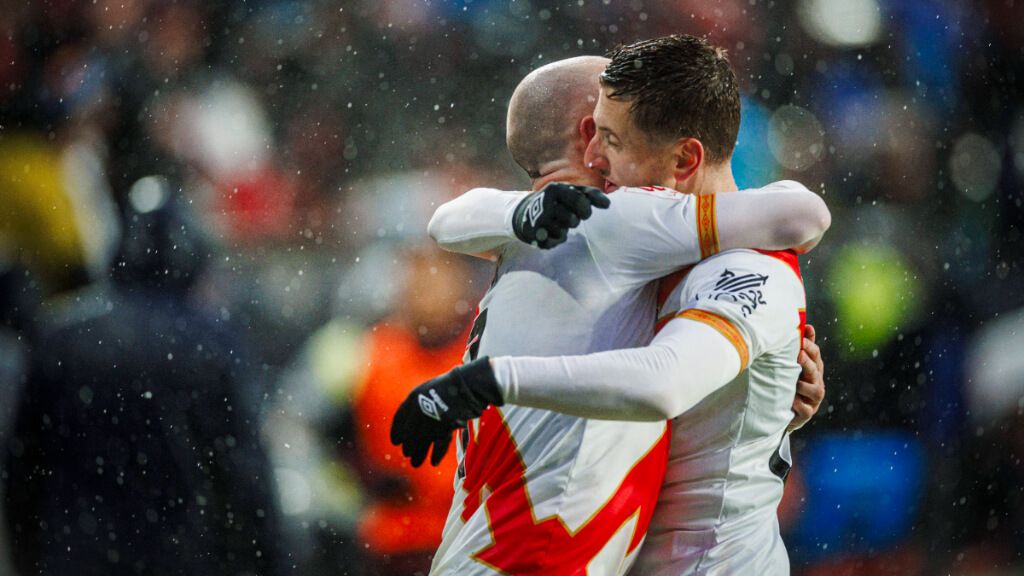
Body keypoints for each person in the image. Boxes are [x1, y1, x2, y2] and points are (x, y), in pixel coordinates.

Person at [392, 45, 828, 575]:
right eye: (599, 133)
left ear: (685, 157)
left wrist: (769, 392)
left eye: (614, 138)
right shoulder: (614, 227)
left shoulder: (712, 257)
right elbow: (801, 213)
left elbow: (663, 381)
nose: (600, 157)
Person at [4, 187, 283, 576]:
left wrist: (29, 557)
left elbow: (22, 475)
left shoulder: (62, 340)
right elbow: (245, 480)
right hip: (183, 561)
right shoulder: (210, 343)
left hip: (75, 559)